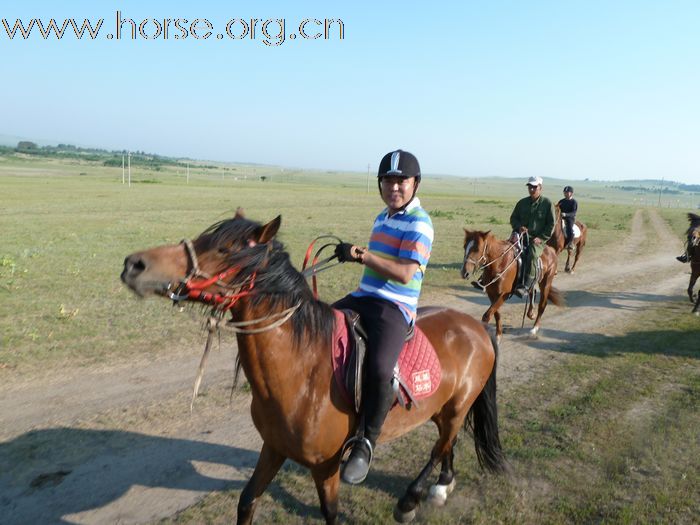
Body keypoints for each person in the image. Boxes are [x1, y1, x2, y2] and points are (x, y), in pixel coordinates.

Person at [333, 149, 433, 485]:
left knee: (379, 368)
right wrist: (351, 255)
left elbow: (405, 273)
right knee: (319, 322)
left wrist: (361, 255)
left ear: (415, 184)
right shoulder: (383, 217)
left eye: (401, 181)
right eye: (388, 181)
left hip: (395, 307)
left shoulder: (420, 222)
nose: (394, 187)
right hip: (364, 297)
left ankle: (365, 443)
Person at [509, 176, 555, 298]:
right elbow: (513, 218)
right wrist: (519, 227)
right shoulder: (522, 203)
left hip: (538, 240)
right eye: (530, 187)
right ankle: (487, 279)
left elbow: (551, 224)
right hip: (521, 235)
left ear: (540, 188)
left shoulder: (547, 204)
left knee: (532, 254)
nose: (532, 189)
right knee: (505, 249)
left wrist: (541, 237)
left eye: (535, 187)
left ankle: (526, 285)